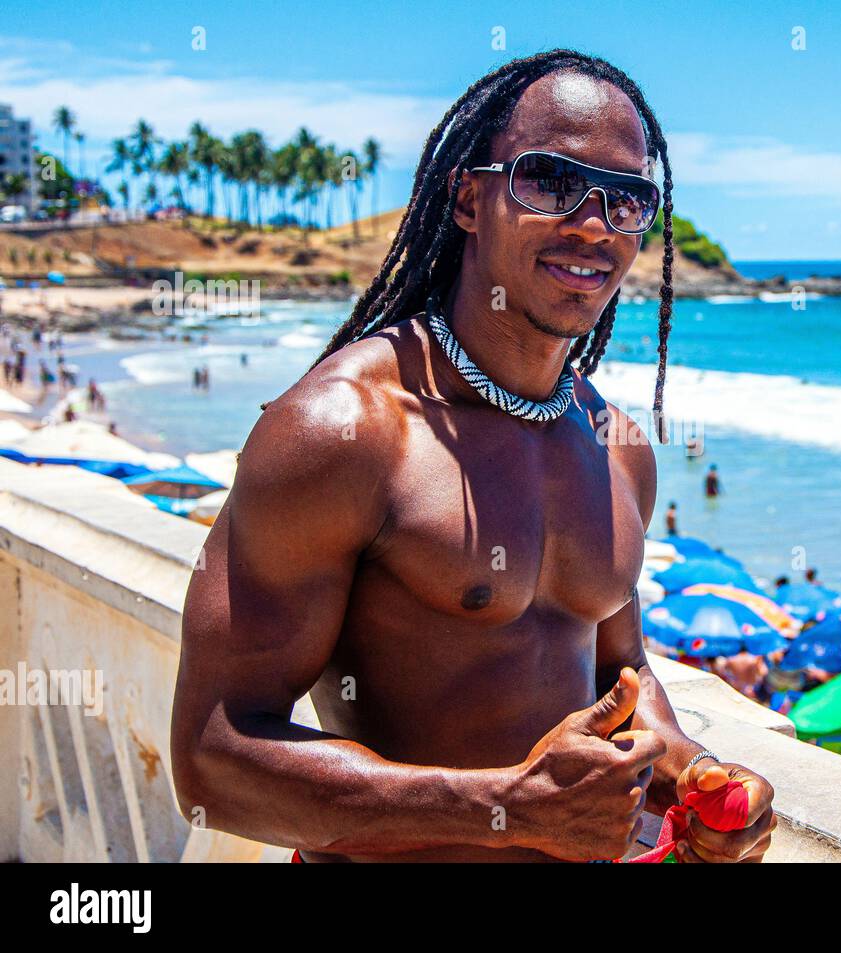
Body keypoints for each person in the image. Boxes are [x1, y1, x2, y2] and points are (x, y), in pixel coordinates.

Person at [171, 52, 774, 864]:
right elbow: (212, 763)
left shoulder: (618, 450)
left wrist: (693, 776)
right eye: (551, 182)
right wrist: (501, 806)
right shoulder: (344, 431)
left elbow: (623, 682)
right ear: (467, 198)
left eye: (627, 198)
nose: (595, 224)